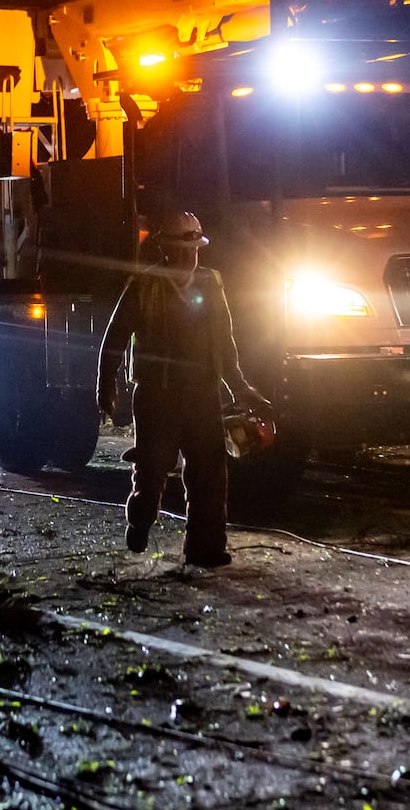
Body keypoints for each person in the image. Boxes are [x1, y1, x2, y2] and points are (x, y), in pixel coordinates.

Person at [96, 211, 269, 567]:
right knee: (153, 470)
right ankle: (140, 521)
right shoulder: (143, 285)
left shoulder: (211, 284)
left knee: (209, 475)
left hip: (202, 395)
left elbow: (225, 345)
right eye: (184, 247)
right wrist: (105, 384)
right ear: (167, 249)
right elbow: (113, 339)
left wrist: (241, 390)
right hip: (158, 397)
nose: (191, 254)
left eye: (194, 247)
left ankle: (205, 549)